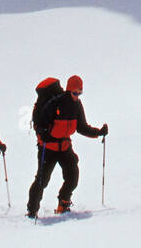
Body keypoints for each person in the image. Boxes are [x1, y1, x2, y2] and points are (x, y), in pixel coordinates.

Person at [27, 76, 108, 217]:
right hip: (49, 148)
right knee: (42, 180)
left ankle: (63, 205)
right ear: (69, 90)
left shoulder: (77, 105)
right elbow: (40, 124)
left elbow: (81, 127)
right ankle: (32, 211)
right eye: (74, 93)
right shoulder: (55, 104)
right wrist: (43, 133)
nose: (77, 96)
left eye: (79, 93)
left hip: (64, 147)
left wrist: (98, 132)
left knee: (72, 176)